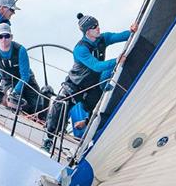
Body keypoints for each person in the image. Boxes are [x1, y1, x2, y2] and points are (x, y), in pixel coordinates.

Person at [42, 13, 137, 151]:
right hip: (74, 85)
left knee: (99, 109)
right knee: (59, 108)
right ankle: (49, 139)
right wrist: (115, 61)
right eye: (94, 27)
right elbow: (96, 66)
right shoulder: (80, 49)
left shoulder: (102, 38)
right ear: (87, 31)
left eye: (98, 25)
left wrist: (131, 30)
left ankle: (90, 144)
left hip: (91, 86)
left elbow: (120, 36)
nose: (98, 28)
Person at [0, 23, 44, 115]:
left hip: (26, 81)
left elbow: (25, 76)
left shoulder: (20, 50)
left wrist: (15, 91)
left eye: (6, 36)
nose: (4, 39)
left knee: (36, 106)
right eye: (1, 36)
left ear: (11, 37)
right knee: (0, 99)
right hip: (7, 81)